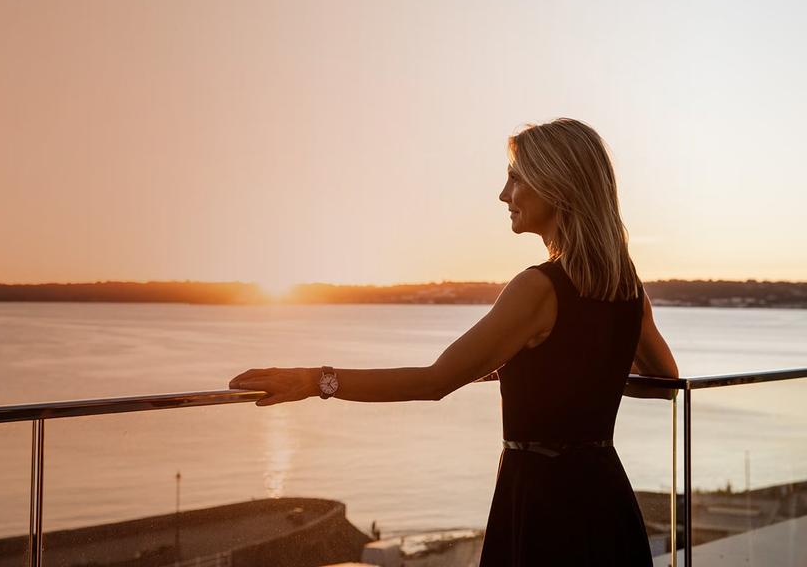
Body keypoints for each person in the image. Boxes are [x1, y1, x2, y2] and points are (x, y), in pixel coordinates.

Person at [228, 117, 680, 565]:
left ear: (555, 186)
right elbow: (664, 378)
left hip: (544, 501)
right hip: (606, 498)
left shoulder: (538, 288)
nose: (504, 195)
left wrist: (316, 380)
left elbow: (434, 381)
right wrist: (575, 371)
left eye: (515, 178)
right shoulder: (627, 290)